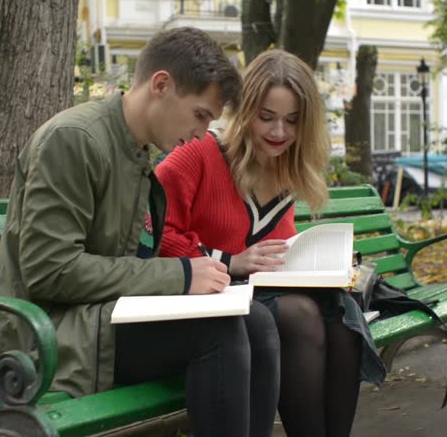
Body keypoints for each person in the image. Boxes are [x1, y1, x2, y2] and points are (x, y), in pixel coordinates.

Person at [0, 27, 280, 437]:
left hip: (98, 318)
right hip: (44, 335)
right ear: (161, 85)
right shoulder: (74, 140)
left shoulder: (135, 151)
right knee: (218, 332)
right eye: (201, 114)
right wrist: (183, 275)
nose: (203, 132)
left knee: (255, 320)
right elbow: (51, 272)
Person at [156, 49, 387, 437]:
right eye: (267, 117)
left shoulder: (285, 169)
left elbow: (279, 253)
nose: (279, 133)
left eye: (292, 121)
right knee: (301, 317)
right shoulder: (197, 154)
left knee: (344, 321)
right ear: (245, 111)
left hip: (258, 298)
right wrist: (230, 261)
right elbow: (156, 233)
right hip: (204, 304)